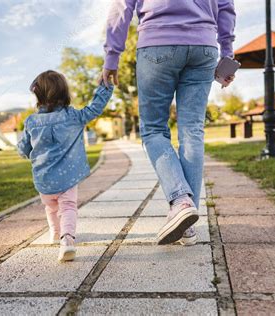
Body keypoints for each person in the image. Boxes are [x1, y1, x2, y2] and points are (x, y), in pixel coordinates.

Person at [100, 0, 236, 245]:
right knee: (192, 131)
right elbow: (225, 6)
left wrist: (112, 57)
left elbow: (121, 6)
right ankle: (187, 224)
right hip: (204, 46)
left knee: (153, 129)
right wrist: (227, 52)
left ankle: (181, 201)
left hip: (157, 42)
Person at [18, 70, 113, 261]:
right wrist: (105, 87)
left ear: (38, 95)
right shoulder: (72, 117)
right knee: (68, 207)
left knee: (51, 208)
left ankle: (55, 234)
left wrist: (29, 153)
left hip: (43, 179)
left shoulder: (31, 122)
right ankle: (67, 238)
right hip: (67, 177)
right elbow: (94, 108)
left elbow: (23, 148)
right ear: (64, 93)